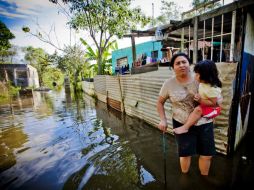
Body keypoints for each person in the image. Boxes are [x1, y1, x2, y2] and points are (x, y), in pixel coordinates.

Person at [157, 52, 216, 176]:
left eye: (184, 62)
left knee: (206, 155)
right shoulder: (168, 84)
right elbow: (160, 103)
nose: (181, 65)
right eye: (177, 63)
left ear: (189, 64)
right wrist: (163, 120)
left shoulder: (200, 78)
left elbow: (214, 94)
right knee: (185, 155)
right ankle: (185, 179)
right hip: (181, 122)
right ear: (173, 67)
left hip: (204, 122)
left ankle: (204, 179)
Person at [173, 60, 222, 134]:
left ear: (206, 75)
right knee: (197, 109)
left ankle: (185, 127)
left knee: (197, 110)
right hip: (206, 105)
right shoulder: (203, 83)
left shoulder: (212, 89)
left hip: (213, 109)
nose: (195, 76)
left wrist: (200, 100)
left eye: (197, 74)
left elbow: (213, 103)